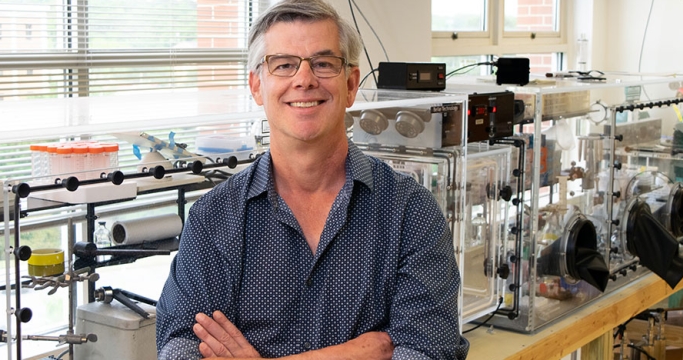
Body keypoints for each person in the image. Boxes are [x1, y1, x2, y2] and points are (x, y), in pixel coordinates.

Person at [156, 0, 468, 358]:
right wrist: (363, 352)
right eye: (283, 64)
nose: (304, 80)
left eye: (323, 63)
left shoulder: (411, 213)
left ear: (351, 84)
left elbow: (428, 352)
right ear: (256, 86)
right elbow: (180, 348)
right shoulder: (214, 219)